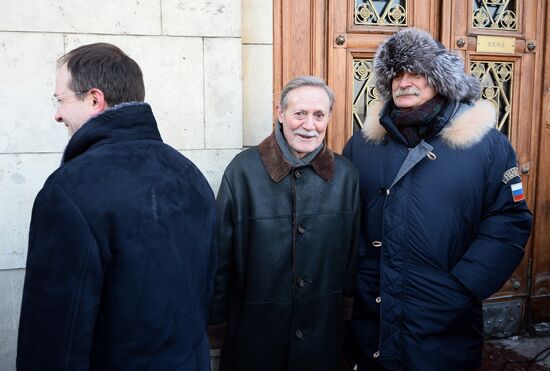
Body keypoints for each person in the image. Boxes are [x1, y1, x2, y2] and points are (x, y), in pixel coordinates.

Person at [17, 43, 217, 370]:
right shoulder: (189, 174)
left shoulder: (68, 191)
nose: (57, 114)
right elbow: (206, 292)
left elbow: (53, 338)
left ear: (95, 99)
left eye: (60, 100)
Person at [343, 28, 532, 371]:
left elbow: (509, 218)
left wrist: (465, 284)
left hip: (447, 320)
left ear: (439, 79)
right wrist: (358, 274)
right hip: (374, 315)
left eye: (416, 72)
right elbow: (346, 218)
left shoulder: (486, 144)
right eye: (396, 74)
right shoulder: (363, 144)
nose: (404, 82)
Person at [208, 76, 360, 371]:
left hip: (322, 337)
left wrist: (346, 319)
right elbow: (219, 256)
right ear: (280, 113)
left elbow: (352, 256)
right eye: (299, 114)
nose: (309, 125)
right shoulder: (243, 171)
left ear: (329, 117)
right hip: (254, 337)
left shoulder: (346, 175)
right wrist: (217, 323)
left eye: (318, 115)